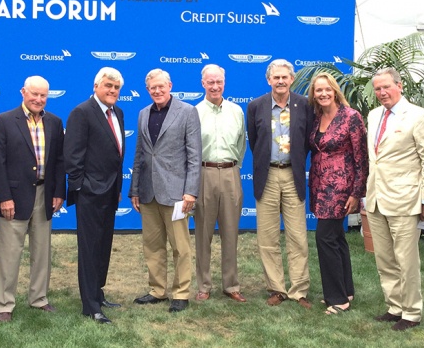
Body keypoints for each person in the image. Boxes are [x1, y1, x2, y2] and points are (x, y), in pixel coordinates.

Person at [0, 76, 66, 323]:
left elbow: (59, 161)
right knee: (9, 252)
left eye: (43, 95)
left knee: (42, 251)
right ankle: (3, 304)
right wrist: (3, 197)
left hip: (44, 194)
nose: (38, 99)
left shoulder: (54, 122)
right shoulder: (3, 121)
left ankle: (39, 298)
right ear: (23, 92)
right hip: (13, 197)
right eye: (34, 94)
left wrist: (58, 192)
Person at [366, 67, 424, 331]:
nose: (382, 93)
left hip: (405, 200)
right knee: (384, 258)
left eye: (386, 87)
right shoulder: (373, 115)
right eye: (378, 89)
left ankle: (412, 312)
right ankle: (394, 307)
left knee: (406, 260)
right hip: (376, 199)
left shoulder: (418, 116)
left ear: (400, 85)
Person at [129, 68, 202, 313]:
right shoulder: (142, 114)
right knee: (152, 245)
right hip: (148, 192)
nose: (157, 91)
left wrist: (191, 191)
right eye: (152, 88)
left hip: (177, 193)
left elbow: (194, 155)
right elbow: (139, 154)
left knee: (180, 246)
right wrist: (135, 189)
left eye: (161, 86)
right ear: (147, 90)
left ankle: (181, 294)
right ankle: (157, 290)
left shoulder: (187, 111)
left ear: (170, 85)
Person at [246, 59, 314, 309]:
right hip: (268, 175)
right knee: (268, 237)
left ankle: (299, 290)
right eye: (276, 77)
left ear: (292, 79)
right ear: (268, 80)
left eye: (285, 77)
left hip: (292, 174)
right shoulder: (255, 106)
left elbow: (307, 141)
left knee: (297, 236)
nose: (281, 81)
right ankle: (276, 288)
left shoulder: (305, 105)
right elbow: (255, 142)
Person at [64, 67, 126, 324]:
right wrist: (82, 188)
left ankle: (97, 293)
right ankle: (90, 306)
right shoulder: (82, 112)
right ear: (96, 86)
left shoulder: (118, 112)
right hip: (90, 193)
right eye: (108, 86)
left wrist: (117, 188)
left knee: (103, 246)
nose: (112, 91)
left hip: (110, 192)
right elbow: (72, 156)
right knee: (89, 249)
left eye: (116, 88)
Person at [307, 72, 368, 315]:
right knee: (337, 239)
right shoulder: (316, 117)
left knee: (325, 238)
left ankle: (337, 299)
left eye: (326, 89)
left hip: (341, 187)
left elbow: (361, 158)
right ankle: (346, 291)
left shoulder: (351, 117)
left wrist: (356, 192)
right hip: (320, 185)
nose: (322, 94)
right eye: (318, 90)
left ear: (335, 91)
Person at [194, 64, 247, 303]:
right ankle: (204, 285)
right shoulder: (193, 112)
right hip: (203, 173)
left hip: (230, 173)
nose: (215, 86)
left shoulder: (237, 111)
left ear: (224, 83)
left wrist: (232, 168)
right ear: (203, 83)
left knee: (230, 232)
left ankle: (231, 285)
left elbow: (241, 145)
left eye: (219, 82)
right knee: (203, 233)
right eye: (210, 82)